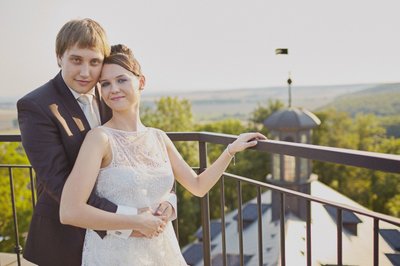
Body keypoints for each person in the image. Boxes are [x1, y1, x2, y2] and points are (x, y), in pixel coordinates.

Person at [59, 44, 267, 265]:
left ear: (141, 82)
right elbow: (70, 212)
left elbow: (198, 186)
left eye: (121, 80)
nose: (113, 89)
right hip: (116, 255)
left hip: (161, 250)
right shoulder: (99, 138)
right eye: (105, 84)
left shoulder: (158, 137)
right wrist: (136, 222)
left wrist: (229, 151)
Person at [17, 19, 176, 266]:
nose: (85, 72)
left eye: (94, 62)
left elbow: (141, 157)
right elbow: (58, 183)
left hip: (126, 247)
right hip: (66, 242)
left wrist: (167, 201)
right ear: (60, 57)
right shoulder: (36, 106)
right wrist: (131, 220)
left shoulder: (110, 94)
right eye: (76, 60)